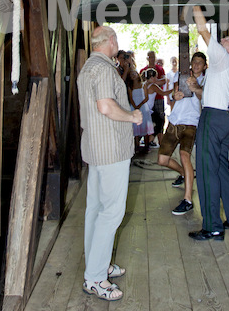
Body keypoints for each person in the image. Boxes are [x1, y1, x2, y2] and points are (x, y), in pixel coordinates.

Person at [77, 26, 143, 301]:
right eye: (115, 38)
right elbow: (105, 106)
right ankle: (94, 278)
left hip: (96, 148)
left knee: (95, 209)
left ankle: (97, 265)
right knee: (112, 213)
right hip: (112, 151)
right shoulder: (104, 69)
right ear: (110, 41)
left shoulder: (88, 67)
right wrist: (132, 117)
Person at [187, 5, 229, 241]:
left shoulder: (222, 57)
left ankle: (212, 226)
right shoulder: (226, 67)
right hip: (225, 118)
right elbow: (210, 95)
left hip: (212, 119)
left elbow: (202, 29)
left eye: (227, 38)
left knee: (206, 171)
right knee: (221, 169)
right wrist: (196, 89)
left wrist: (195, 5)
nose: (222, 39)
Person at [157, 52, 207, 215]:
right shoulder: (182, 76)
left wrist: (196, 87)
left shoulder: (207, 80)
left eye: (200, 62)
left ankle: (188, 200)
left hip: (191, 123)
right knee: (162, 160)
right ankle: (185, 174)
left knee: (185, 156)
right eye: (194, 62)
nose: (197, 65)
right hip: (174, 121)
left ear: (205, 66)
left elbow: (204, 97)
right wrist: (174, 96)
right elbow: (174, 93)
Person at [140, 51, 167, 146]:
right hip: (148, 101)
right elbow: (141, 84)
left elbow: (164, 81)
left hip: (158, 98)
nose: (152, 58)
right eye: (150, 57)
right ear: (147, 58)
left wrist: (152, 83)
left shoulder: (160, 69)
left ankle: (160, 141)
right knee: (148, 120)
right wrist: (155, 83)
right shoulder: (143, 70)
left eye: (153, 57)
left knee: (160, 118)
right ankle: (147, 140)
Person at [127, 67, 154, 154]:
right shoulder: (130, 87)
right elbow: (131, 98)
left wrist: (140, 105)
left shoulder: (143, 84)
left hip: (143, 107)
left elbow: (146, 98)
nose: (133, 76)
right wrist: (135, 106)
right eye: (131, 75)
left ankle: (146, 146)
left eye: (134, 73)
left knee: (145, 126)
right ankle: (136, 146)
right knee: (135, 127)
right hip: (134, 107)